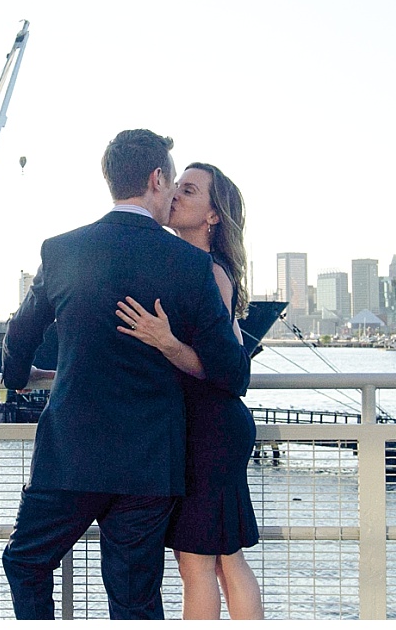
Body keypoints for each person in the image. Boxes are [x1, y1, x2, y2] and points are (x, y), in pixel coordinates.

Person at [0, 130, 250, 620]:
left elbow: (22, 329)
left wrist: (16, 375)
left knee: (26, 560)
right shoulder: (192, 264)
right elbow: (232, 373)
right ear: (157, 179)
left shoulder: (62, 250)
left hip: (70, 456)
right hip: (150, 465)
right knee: (134, 596)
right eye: (173, 182)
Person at [114, 162, 264, 619]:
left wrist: (167, 341)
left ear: (213, 216)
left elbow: (222, 368)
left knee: (202, 561)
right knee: (216, 558)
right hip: (201, 428)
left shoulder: (210, 273)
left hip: (210, 428)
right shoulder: (189, 267)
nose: (176, 194)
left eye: (191, 191)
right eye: (177, 186)